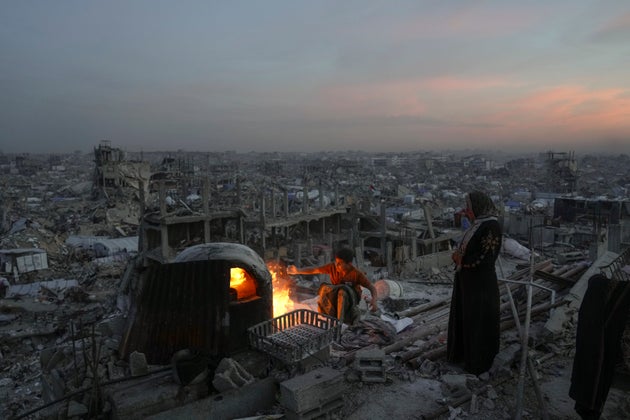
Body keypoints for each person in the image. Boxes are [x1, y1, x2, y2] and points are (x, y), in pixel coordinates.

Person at [447, 190, 502, 375]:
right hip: (468, 283)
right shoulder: (477, 225)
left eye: (469, 207)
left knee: (478, 323)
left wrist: (462, 261)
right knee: (466, 319)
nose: (467, 211)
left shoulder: (491, 226)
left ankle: (478, 363)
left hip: (481, 286)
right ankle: (463, 356)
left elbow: (486, 257)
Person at [287, 248, 378, 324]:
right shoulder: (332, 267)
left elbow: (372, 288)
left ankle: (339, 322)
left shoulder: (356, 274)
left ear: (349, 264)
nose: (337, 265)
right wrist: (298, 271)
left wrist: (374, 301)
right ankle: (327, 315)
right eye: (336, 262)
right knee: (324, 289)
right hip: (336, 293)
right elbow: (315, 270)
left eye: (340, 263)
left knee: (342, 293)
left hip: (350, 297)